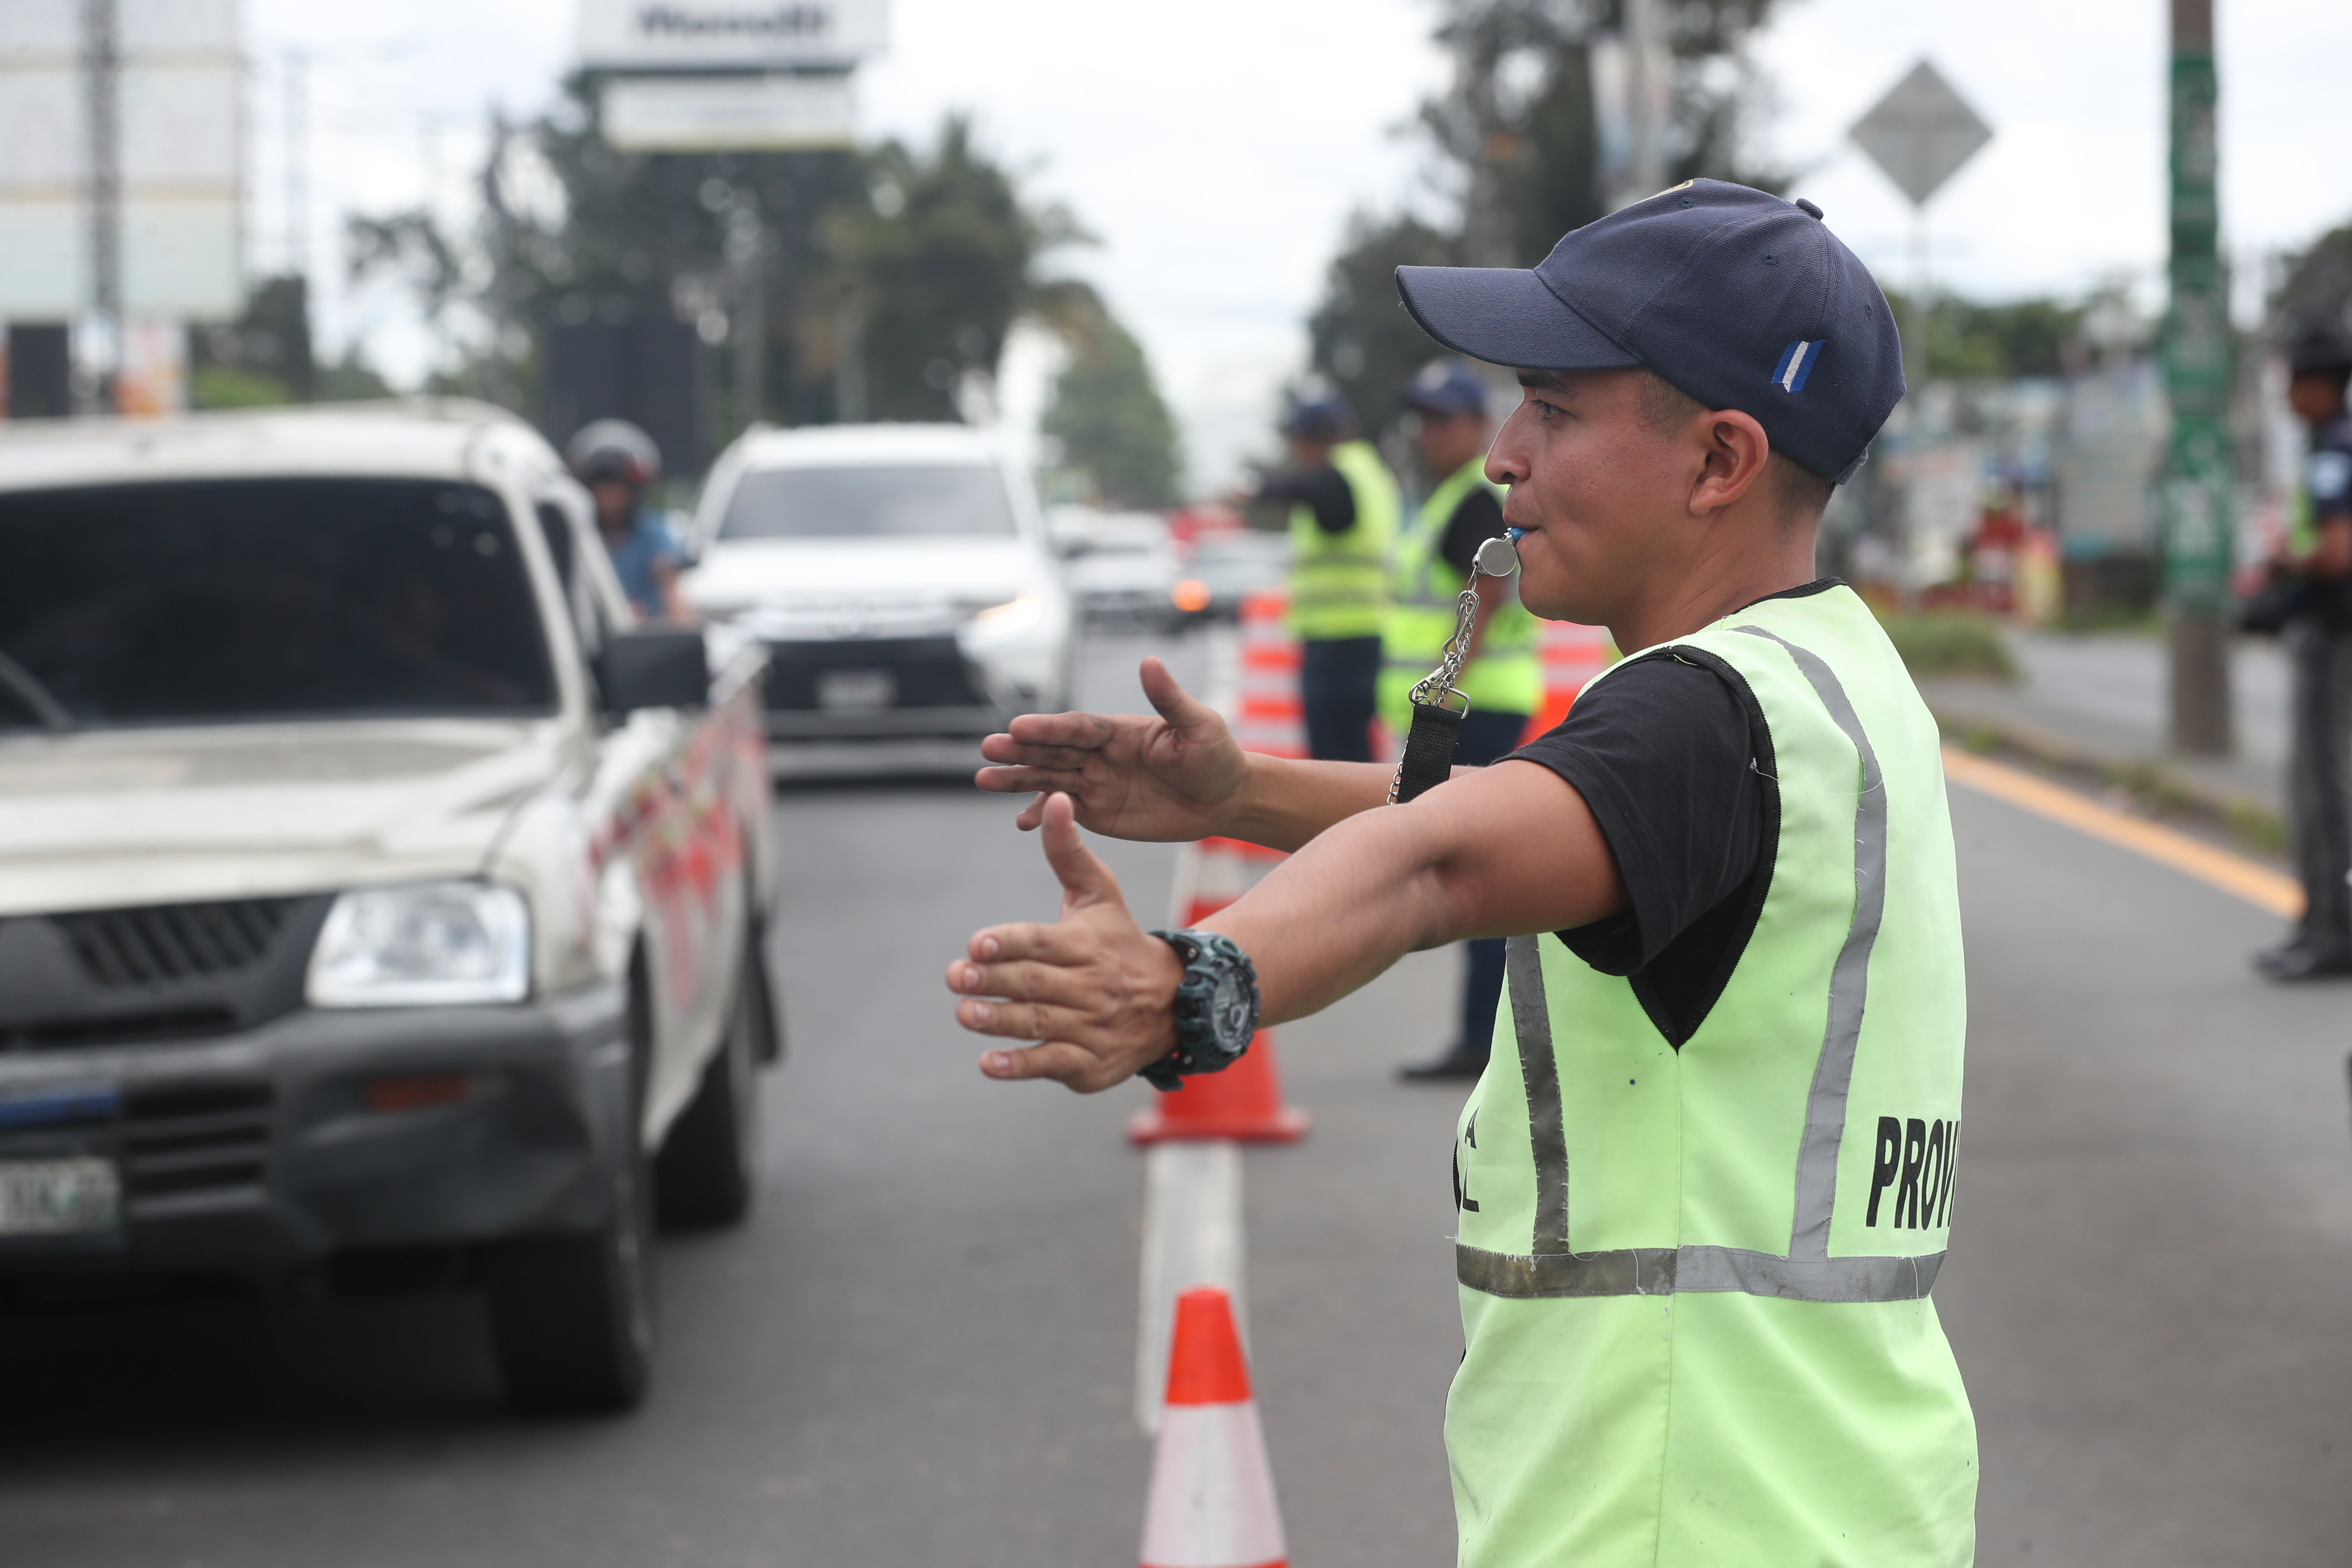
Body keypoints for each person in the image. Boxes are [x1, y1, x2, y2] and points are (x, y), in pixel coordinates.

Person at [949, 181, 1975, 1561]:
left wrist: (1194, 981)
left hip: (1677, 1517)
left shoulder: (1696, 718)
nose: (1504, 453)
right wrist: (1239, 791)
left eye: (1554, 408)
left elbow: (1436, 863)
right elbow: (1519, 818)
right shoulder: (1826, 679)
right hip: (1838, 1501)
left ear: (1721, 458)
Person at [1381, 357, 1542, 1081]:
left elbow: (1489, 598)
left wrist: (1441, 698)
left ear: (1478, 425)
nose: (1429, 431)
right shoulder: (1449, 497)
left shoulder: (1473, 500)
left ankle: (1482, 1040)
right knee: (1477, 872)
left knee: (1477, 877)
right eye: (1423, 417)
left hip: (1474, 708)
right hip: (1474, 705)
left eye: (1444, 418)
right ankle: (1481, 1037)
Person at [2255, 320, 2352, 981]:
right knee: (2319, 782)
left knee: (2323, 786)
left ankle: (2332, 930)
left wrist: (2286, 560)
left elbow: (2337, 550)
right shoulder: (2331, 443)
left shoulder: (2333, 451)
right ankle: (2320, 922)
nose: (2288, 394)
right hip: (2331, 633)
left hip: (2333, 635)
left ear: (2322, 386)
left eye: (2295, 381)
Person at [1248, 389, 1400, 762]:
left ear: (1319, 438)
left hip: (1337, 641)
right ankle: (1367, 819)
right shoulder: (1372, 474)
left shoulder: (1337, 476)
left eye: (1301, 441)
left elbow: (1317, 492)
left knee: (1334, 757)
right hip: (1368, 633)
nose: (1298, 451)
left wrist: (1261, 489)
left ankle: (1350, 821)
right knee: (1356, 754)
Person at [566, 419, 693, 624]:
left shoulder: (653, 536)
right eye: (601, 483)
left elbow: (676, 604)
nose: (608, 494)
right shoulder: (573, 538)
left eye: (616, 483)